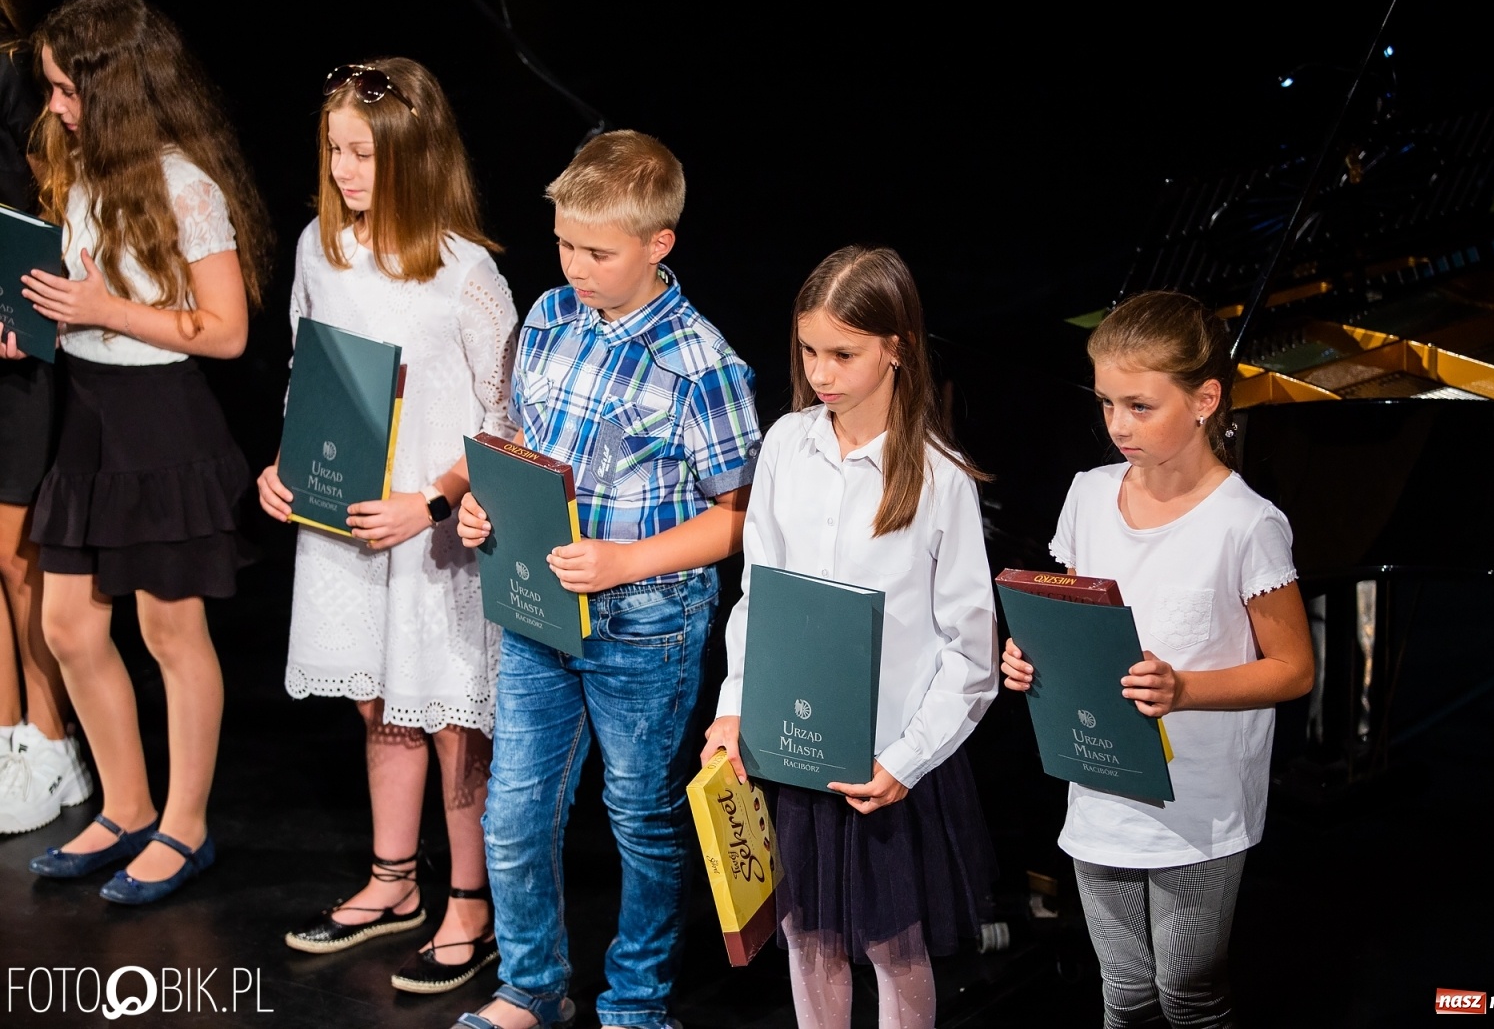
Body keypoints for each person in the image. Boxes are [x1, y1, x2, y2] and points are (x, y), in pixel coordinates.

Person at [453, 129, 762, 1029]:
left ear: (658, 244)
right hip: (540, 608)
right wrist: (487, 505)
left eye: (597, 251)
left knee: (640, 815)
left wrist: (626, 560)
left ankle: (636, 1001)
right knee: (512, 812)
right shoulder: (547, 317)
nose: (575, 265)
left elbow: (740, 516)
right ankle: (532, 986)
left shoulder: (700, 363)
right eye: (565, 244)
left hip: (645, 621)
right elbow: (519, 444)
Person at [256, 56, 517, 995]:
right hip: (347, 524)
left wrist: (434, 500)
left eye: (362, 154)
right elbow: (307, 377)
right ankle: (393, 881)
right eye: (334, 152)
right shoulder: (317, 252)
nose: (344, 172)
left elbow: (501, 426)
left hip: (435, 535)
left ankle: (472, 903)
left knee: (448, 713)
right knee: (377, 701)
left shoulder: (466, 274)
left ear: (413, 155)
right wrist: (284, 468)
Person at [13, 0, 271, 904]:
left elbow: (229, 330)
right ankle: (124, 806)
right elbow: (75, 300)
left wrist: (103, 311)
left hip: (162, 419)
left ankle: (186, 826)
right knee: (67, 625)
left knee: (170, 628)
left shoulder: (182, 184)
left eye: (66, 91)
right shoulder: (78, 170)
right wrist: (33, 324)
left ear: (112, 89)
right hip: (86, 410)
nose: (54, 108)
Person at [702, 245, 999, 1029]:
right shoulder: (786, 448)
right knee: (809, 940)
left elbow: (971, 657)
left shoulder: (939, 479)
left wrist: (904, 761)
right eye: (809, 351)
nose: (822, 372)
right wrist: (736, 707)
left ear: (895, 347)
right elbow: (758, 600)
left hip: (887, 763)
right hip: (793, 747)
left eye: (844, 353)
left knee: (897, 953)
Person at [1001, 289, 1314, 1028]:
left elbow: (1294, 669)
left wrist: (1183, 688)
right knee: (1126, 995)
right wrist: (1028, 656)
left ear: (1206, 399)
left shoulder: (1247, 523)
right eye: (1107, 403)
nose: (1118, 426)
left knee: (1189, 996)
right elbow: (1067, 620)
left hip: (1197, 799)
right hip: (1103, 781)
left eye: (1140, 406)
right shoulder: (1087, 495)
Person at [0, 0, 91, 836]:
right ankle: (6, 737)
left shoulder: (16, 68)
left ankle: (50, 738)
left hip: (20, 340)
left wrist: (20, 307)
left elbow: (51, 192)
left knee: (18, 553)